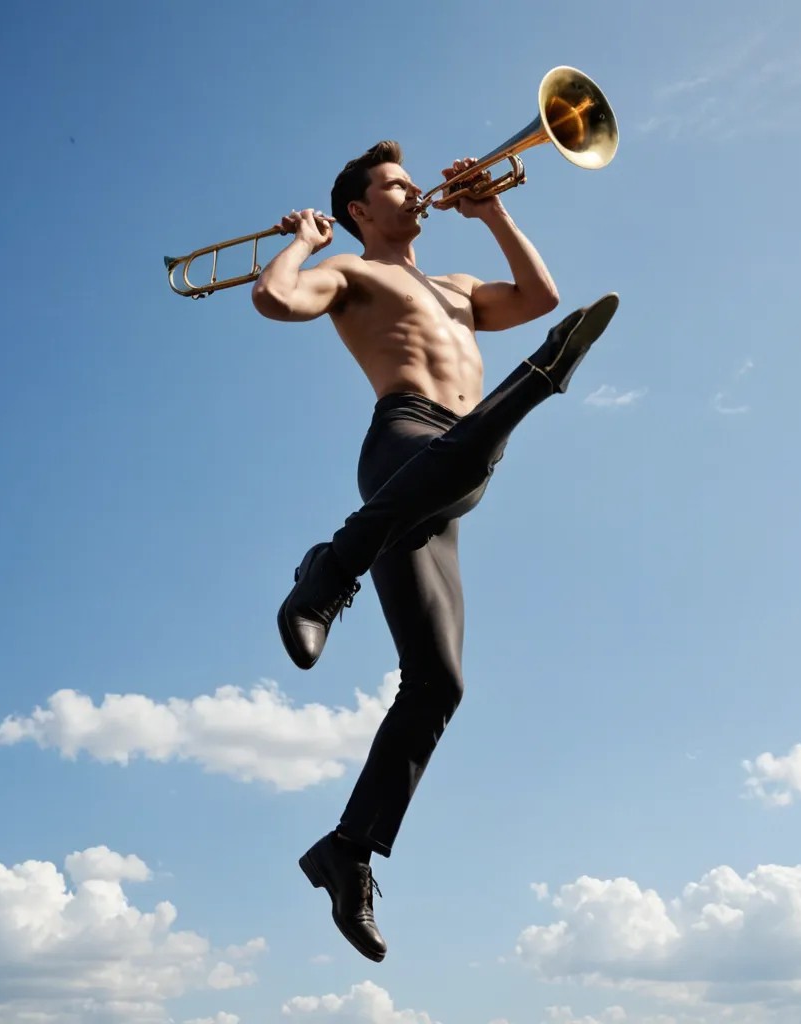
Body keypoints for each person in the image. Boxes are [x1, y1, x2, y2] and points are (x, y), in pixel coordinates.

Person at [251, 141, 618, 963]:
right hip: (405, 440)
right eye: (396, 185)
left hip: (448, 479)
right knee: (471, 451)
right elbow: (274, 299)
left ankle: (346, 851)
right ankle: (539, 381)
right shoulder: (351, 272)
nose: (416, 193)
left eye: (414, 183)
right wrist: (304, 241)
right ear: (358, 210)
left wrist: (493, 212)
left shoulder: (456, 287)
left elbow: (540, 295)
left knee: (440, 683)